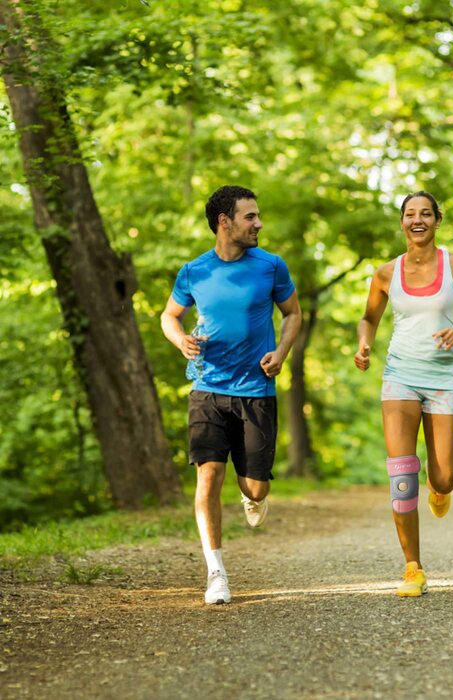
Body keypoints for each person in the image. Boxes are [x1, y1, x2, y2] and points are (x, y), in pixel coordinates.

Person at [161, 185, 301, 605]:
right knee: (208, 476)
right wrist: (180, 339)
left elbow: (293, 313)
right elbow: (169, 316)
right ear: (225, 221)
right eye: (250, 217)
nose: (258, 224)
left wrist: (280, 352)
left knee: (255, 488)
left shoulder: (271, 266)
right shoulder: (194, 271)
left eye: (258, 217)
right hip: (207, 386)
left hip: (257, 389)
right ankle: (216, 572)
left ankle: (252, 494)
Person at [354, 191, 453, 597]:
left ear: (437, 220)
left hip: (445, 377)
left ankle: (440, 488)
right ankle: (412, 567)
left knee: (445, 476)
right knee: (401, 474)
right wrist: (364, 344)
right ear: (402, 223)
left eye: (425, 214)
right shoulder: (385, 273)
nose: (418, 220)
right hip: (400, 376)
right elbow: (368, 317)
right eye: (410, 214)